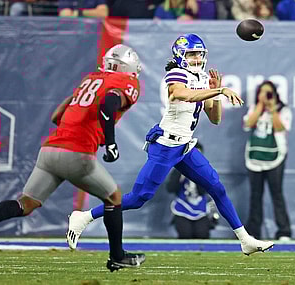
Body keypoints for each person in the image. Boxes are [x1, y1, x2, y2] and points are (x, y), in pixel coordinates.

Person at [67, 33, 274, 255]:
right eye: (192, 54)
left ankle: (245, 239)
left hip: (185, 146)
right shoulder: (176, 73)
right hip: (166, 145)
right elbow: (182, 94)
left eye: (199, 54)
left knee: (217, 188)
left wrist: (215, 92)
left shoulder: (203, 78)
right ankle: (85, 217)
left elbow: (215, 118)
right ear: (180, 55)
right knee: (138, 198)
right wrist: (219, 90)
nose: (196, 58)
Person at [0, 44, 146, 272]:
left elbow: (58, 115)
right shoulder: (125, 83)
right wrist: (111, 142)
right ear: (129, 68)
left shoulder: (91, 79)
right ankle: (117, 256)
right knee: (114, 197)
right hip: (77, 154)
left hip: (49, 151)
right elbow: (107, 105)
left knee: (25, 203)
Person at [243, 80, 292, 240]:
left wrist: (272, 110)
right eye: (262, 92)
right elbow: (248, 124)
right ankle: (253, 231)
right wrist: (259, 106)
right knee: (255, 195)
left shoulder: (283, 110)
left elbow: (280, 128)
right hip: (255, 157)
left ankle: (284, 230)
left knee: (276, 193)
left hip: (275, 157)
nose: (265, 95)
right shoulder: (255, 109)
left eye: (268, 92)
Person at [165, 141, 219, 239]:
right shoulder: (178, 169)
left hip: (200, 209)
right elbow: (170, 188)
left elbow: (204, 191)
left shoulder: (205, 171)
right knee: (185, 234)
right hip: (182, 208)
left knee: (202, 234)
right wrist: (180, 175)